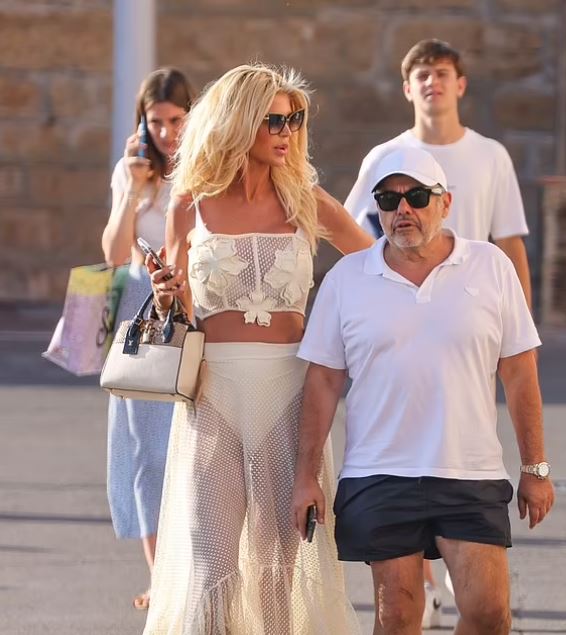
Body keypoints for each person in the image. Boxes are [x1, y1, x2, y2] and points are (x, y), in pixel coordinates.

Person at [143, 63, 373, 634]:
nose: (287, 131)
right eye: (274, 120)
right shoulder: (188, 204)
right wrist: (166, 295)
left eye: (294, 120)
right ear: (239, 121)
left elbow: (375, 265)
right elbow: (181, 309)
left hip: (288, 397)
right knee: (213, 565)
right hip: (212, 396)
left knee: (276, 576)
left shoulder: (307, 201)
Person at [292, 147, 555, 635]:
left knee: (489, 615)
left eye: (416, 196)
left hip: (470, 470)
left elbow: (520, 372)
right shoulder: (347, 279)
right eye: (388, 200)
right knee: (397, 618)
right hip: (378, 471)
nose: (402, 210)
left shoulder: (490, 265)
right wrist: (306, 477)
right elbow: (323, 382)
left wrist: (535, 468)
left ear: (445, 203)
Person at [101, 67, 196, 610]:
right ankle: (161, 579)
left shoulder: (204, 165)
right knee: (147, 451)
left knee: (197, 446)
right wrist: (134, 191)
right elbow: (116, 254)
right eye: (155, 122)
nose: (166, 133)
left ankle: (194, 570)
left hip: (192, 303)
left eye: (176, 120)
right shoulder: (132, 170)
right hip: (140, 308)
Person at [345, 38, 533, 310]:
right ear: (408, 89)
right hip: (398, 304)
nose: (432, 81)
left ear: (460, 85)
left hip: (471, 303)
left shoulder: (491, 155)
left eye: (442, 73)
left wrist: (523, 321)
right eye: (422, 75)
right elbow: (351, 234)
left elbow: (510, 241)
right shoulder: (383, 157)